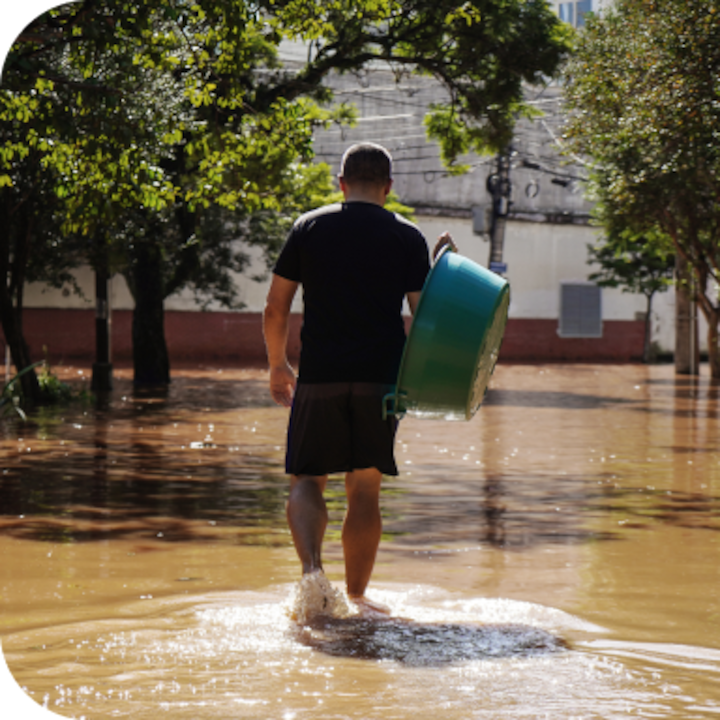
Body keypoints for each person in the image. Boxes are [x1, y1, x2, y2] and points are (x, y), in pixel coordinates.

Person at [263, 142, 440, 614]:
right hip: (380, 379)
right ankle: (358, 598)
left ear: (340, 183)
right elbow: (425, 320)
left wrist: (278, 365)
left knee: (307, 477)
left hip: (319, 374)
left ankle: (312, 579)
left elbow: (276, 305)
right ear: (388, 187)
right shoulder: (407, 236)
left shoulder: (309, 227)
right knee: (364, 486)